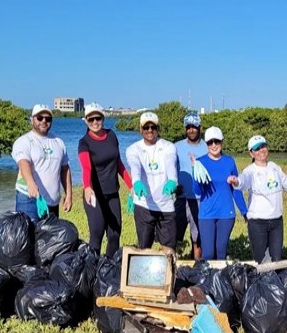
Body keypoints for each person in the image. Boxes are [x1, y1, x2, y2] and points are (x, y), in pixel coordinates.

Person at [227, 135, 287, 263]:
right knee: (260, 261)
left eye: (263, 146)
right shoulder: (250, 171)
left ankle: (273, 282)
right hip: (258, 223)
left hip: (276, 221)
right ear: (251, 153)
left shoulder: (274, 167)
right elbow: (243, 181)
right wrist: (236, 181)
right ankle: (261, 282)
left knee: (276, 260)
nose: (261, 151)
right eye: (257, 149)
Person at [78, 103, 132, 257]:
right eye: (91, 119)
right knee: (97, 234)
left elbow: (119, 164)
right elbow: (86, 167)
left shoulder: (112, 135)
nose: (95, 122)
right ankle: (92, 270)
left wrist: (131, 186)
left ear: (103, 118)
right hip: (95, 195)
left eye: (98, 118)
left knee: (115, 234)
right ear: (86, 121)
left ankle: (109, 270)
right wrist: (87, 187)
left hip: (112, 193)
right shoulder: (84, 142)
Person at [192, 126, 248, 260]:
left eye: (216, 141)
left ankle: (220, 280)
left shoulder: (229, 161)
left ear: (222, 142)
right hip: (206, 214)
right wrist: (196, 174)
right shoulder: (200, 162)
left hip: (226, 214)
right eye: (210, 142)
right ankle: (208, 280)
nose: (213, 145)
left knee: (221, 252)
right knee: (208, 253)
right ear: (206, 144)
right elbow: (197, 192)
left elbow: (236, 189)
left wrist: (244, 211)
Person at [125, 112, 178, 250]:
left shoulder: (168, 146)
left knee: (169, 249)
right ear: (141, 129)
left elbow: (170, 163)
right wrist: (136, 182)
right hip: (144, 204)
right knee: (144, 248)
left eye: (153, 127)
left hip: (165, 204)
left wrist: (172, 180)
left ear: (158, 128)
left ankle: (169, 271)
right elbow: (135, 166)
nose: (150, 130)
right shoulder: (133, 149)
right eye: (146, 127)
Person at [12, 104, 72, 223]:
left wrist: (69, 194)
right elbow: (23, 163)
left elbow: (65, 169)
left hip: (52, 202)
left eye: (48, 118)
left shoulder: (58, 142)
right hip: (29, 199)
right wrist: (30, 183)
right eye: (40, 118)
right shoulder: (24, 141)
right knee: (28, 237)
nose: (44, 121)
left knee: (49, 240)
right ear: (32, 120)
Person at [174, 112, 208, 259]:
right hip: (181, 198)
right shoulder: (176, 147)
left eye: (194, 127)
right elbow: (170, 169)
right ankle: (172, 266)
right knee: (173, 236)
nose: (191, 130)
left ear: (200, 127)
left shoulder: (208, 147)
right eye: (188, 127)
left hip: (200, 199)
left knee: (198, 238)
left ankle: (197, 267)